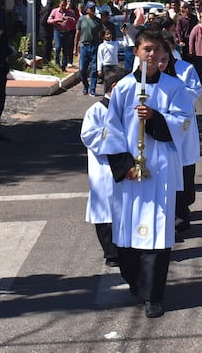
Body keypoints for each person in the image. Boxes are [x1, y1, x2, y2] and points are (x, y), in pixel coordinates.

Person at [101, 28, 192, 319]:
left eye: (156, 50)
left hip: (159, 168)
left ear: (163, 53)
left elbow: (184, 122)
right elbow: (111, 128)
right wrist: (124, 164)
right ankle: (134, 280)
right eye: (146, 49)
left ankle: (154, 295)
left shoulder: (173, 87)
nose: (152, 55)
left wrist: (155, 118)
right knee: (127, 230)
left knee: (157, 231)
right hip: (129, 170)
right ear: (137, 52)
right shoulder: (125, 88)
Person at [80, 66, 127, 268]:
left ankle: (126, 248)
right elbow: (89, 136)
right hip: (105, 168)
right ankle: (111, 252)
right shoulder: (96, 111)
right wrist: (114, 137)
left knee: (124, 210)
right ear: (115, 87)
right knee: (106, 211)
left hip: (125, 168)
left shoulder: (127, 109)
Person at [161, 31, 202, 236]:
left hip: (182, 127)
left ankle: (182, 214)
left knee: (184, 173)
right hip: (160, 132)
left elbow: (195, 91)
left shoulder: (186, 69)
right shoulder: (150, 72)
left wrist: (176, 94)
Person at [74, 1, 103, 96]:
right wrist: (75, 47)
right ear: (87, 9)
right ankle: (85, 86)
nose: (93, 10)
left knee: (94, 69)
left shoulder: (98, 21)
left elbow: (101, 34)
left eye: (94, 8)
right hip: (84, 46)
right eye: (91, 8)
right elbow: (77, 33)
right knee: (82, 69)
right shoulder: (82, 20)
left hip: (95, 46)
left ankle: (92, 89)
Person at [48, 0, 78, 71]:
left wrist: (70, 19)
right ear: (59, 4)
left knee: (66, 49)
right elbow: (49, 20)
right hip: (57, 31)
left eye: (65, 5)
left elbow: (75, 21)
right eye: (62, 5)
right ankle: (57, 63)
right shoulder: (54, 11)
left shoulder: (69, 12)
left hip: (66, 32)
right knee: (58, 47)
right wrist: (57, 20)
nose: (63, 7)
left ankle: (64, 65)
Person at [188, 9, 202, 86]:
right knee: (199, 68)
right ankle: (199, 81)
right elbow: (191, 39)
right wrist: (191, 50)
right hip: (199, 52)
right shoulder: (196, 28)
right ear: (200, 18)